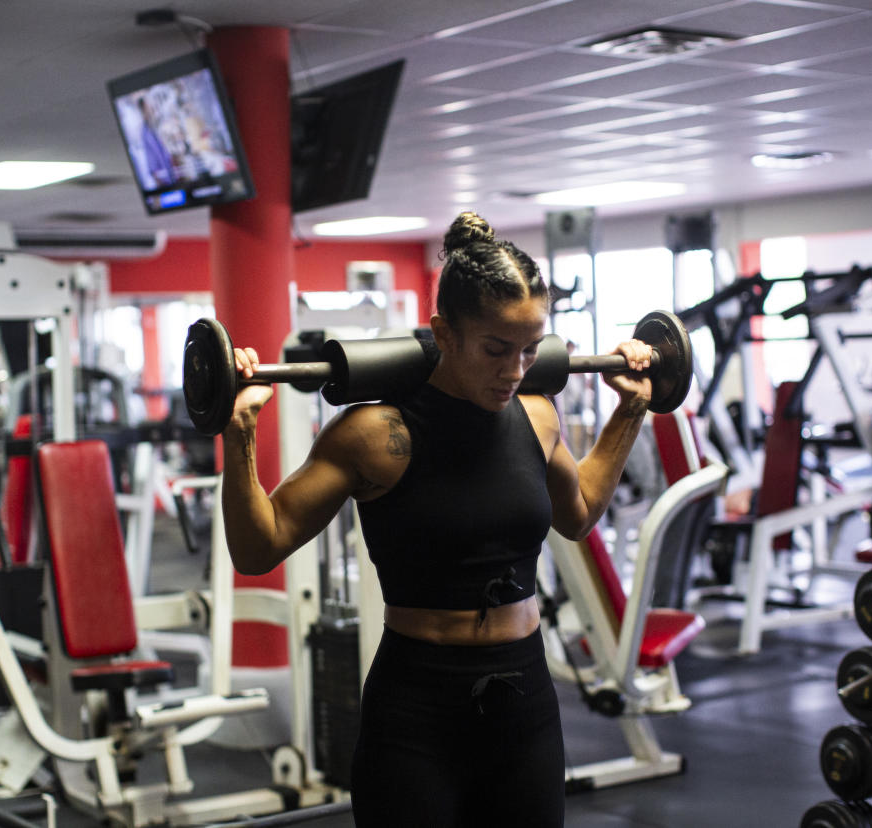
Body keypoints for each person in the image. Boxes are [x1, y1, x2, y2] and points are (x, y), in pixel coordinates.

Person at [221, 211, 654, 827]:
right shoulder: (375, 434)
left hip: (524, 702)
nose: (516, 370)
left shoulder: (537, 416)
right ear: (443, 333)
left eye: (531, 350)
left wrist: (630, 414)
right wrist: (238, 435)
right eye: (496, 349)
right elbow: (258, 548)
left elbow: (578, 514)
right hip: (417, 711)